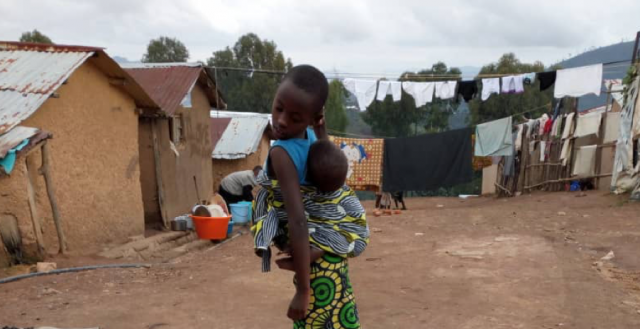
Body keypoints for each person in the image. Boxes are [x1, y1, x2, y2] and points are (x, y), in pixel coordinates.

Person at [251, 65, 364, 328]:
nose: (281, 121)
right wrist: (320, 128)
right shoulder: (312, 137)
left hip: (314, 274)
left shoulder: (282, 152)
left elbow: (298, 220)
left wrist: (303, 291)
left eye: (295, 117)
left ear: (312, 119)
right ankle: (316, 250)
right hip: (334, 256)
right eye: (279, 108)